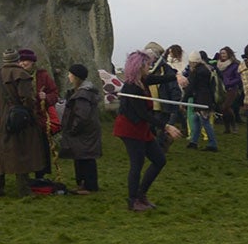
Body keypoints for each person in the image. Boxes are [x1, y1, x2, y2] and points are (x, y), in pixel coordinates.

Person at [0, 48, 51, 197]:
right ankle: (24, 189)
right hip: (18, 120)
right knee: (21, 152)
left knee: (0, 155)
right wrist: (30, 115)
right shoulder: (22, 75)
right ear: (16, 60)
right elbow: (27, 99)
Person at [113, 53, 167, 211]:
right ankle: (133, 200)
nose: (149, 67)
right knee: (137, 163)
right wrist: (166, 126)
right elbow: (143, 114)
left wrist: (176, 78)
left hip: (141, 128)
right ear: (139, 66)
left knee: (159, 160)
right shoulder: (131, 87)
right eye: (147, 64)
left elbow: (158, 79)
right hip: (129, 128)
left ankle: (141, 194)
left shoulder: (143, 80)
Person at [55, 63, 102, 192]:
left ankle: (89, 186)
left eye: (70, 74)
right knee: (82, 157)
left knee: (85, 158)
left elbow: (82, 116)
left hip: (83, 131)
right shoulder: (81, 93)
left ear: (76, 77)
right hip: (86, 131)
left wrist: (72, 129)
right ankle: (84, 184)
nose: (69, 76)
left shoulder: (83, 95)